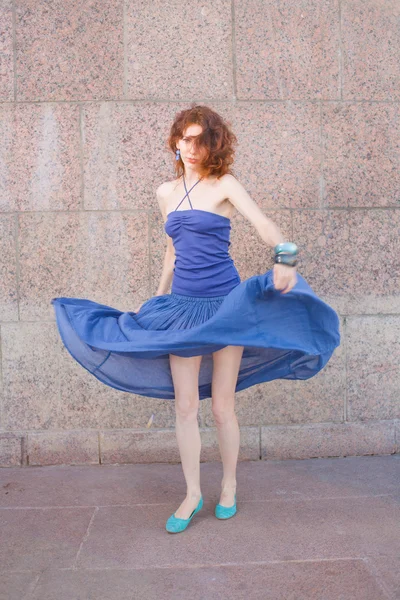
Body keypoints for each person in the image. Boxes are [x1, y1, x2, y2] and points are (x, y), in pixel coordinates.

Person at [51, 104, 340, 534]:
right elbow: (173, 249)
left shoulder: (224, 184)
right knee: (185, 406)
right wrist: (158, 298)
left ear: (213, 145)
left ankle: (228, 486)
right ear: (175, 141)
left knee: (223, 407)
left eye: (199, 140)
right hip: (182, 308)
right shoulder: (165, 192)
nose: (190, 148)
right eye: (184, 139)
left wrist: (285, 258)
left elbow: (264, 225)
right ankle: (191, 494)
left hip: (226, 306)